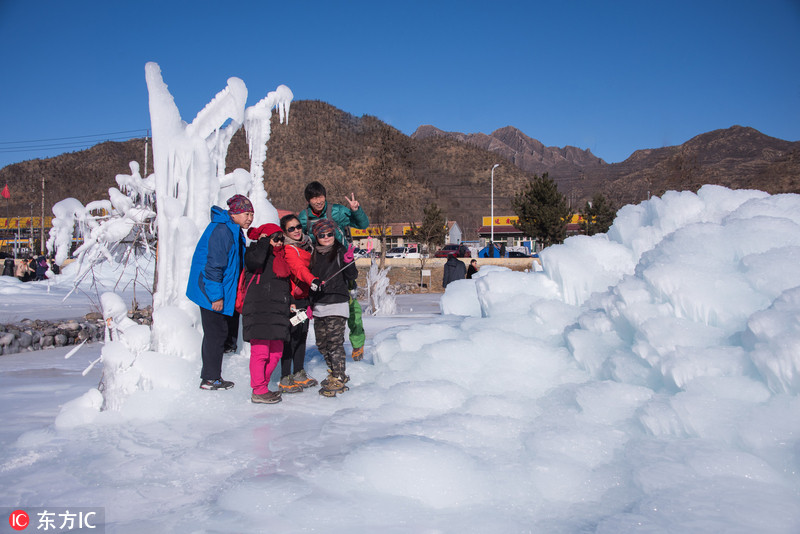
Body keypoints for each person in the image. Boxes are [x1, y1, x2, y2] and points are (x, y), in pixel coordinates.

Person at [186, 194, 253, 391]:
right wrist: (216, 297)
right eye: (246, 213)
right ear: (234, 213)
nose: (250, 218)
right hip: (210, 290)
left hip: (219, 288)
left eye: (252, 214)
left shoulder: (232, 229)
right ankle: (210, 378)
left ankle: (215, 368)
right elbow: (213, 266)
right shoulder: (222, 230)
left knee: (221, 332)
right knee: (214, 334)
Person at [297, 180, 368, 361]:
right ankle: (326, 347)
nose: (318, 201)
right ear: (308, 200)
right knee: (317, 306)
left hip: (342, 264)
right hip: (318, 267)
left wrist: (355, 210)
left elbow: (362, 224)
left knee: (351, 306)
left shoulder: (336, 211)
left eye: (320, 196)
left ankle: (357, 342)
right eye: (314, 198)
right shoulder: (303, 217)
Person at [241, 223, 293, 404]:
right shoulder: (254, 252)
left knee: (276, 353)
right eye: (275, 239)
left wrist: (291, 304)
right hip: (258, 310)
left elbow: (286, 286)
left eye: (281, 239)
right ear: (264, 238)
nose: (279, 243)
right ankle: (259, 389)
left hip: (278, 311)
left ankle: (261, 386)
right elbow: (255, 262)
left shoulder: (282, 258)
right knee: (261, 353)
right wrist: (263, 242)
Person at [309, 219, 358, 397]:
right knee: (321, 343)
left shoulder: (340, 251)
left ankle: (339, 375)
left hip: (337, 304)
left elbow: (352, 276)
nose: (327, 237)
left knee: (334, 343)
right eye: (322, 235)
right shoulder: (312, 254)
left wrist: (349, 261)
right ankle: (333, 371)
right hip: (319, 304)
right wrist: (309, 303)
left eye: (330, 234)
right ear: (316, 237)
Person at [277, 213, 319, 394]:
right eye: (291, 229)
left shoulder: (308, 245)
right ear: (285, 232)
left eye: (298, 227)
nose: (296, 231)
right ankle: (285, 377)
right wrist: (312, 280)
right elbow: (298, 269)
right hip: (292, 298)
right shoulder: (288, 249)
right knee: (290, 338)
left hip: (305, 297)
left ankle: (299, 372)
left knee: (302, 336)